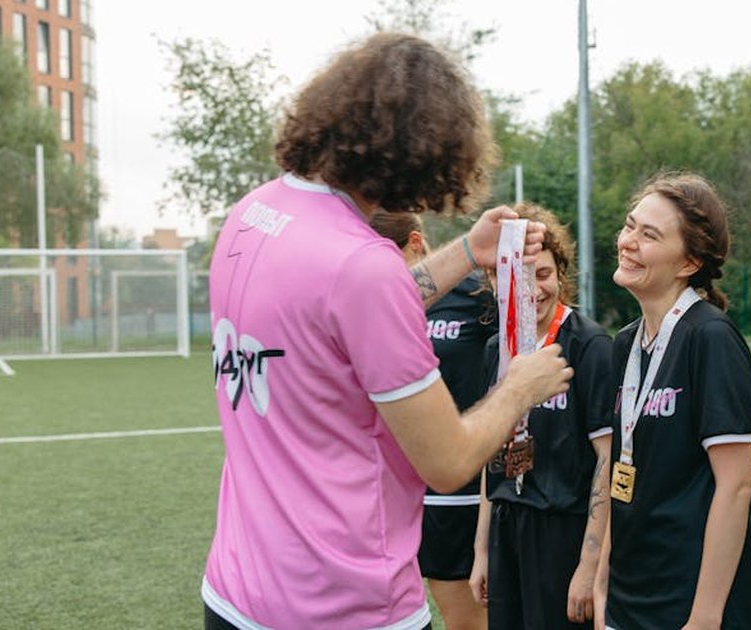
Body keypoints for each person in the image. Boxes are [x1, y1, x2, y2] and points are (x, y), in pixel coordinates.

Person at [203, 33, 572, 630]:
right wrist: (519, 387)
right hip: (343, 606)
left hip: (235, 594)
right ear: (425, 150)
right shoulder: (363, 266)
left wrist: (466, 252)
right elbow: (447, 462)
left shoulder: (254, 213)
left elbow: (343, 314)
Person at [593, 173, 751, 629]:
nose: (628, 242)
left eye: (649, 235)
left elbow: (736, 486)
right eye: (630, 226)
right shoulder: (625, 343)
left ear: (688, 262)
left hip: (688, 605)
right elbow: (623, 469)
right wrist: (602, 579)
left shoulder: (710, 337)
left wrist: (705, 617)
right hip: (630, 596)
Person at [467, 203, 614, 629]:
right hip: (506, 527)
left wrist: (588, 568)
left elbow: (608, 459)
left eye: (544, 273)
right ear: (496, 279)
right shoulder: (498, 350)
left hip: (562, 535)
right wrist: (482, 551)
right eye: (518, 275)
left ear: (561, 274)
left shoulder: (589, 346)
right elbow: (489, 452)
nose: (532, 289)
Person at [371, 210, 496, 630]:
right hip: (396, 486)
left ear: (416, 242)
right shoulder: (371, 301)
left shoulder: (476, 294)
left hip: (457, 487)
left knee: (465, 613)